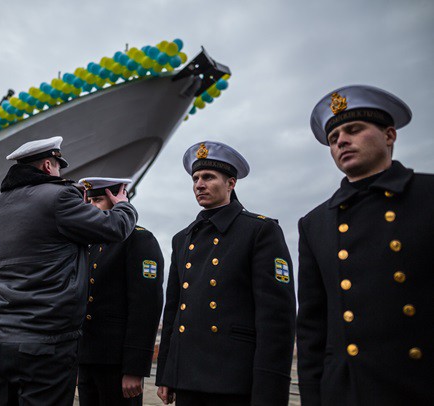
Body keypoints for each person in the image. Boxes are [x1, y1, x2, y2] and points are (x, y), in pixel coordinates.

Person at [297, 85, 434, 405]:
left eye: (354, 130)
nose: (342, 140)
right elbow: (312, 329)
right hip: (349, 392)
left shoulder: (428, 196)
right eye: (333, 138)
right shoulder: (315, 223)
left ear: (390, 136)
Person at [0, 136, 138, 406]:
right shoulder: (59, 196)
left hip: (1, 340)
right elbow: (114, 228)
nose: (60, 173)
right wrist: (124, 205)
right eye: (58, 166)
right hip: (45, 342)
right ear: (48, 165)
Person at [156, 141, 296, 406]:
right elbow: (173, 312)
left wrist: (270, 388)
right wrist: (166, 373)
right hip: (187, 378)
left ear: (231, 183)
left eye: (208, 177)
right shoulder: (182, 239)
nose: (199, 184)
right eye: (195, 178)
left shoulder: (260, 232)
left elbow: (276, 318)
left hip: (235, 380)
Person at [76, 177, 164, 406]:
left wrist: (135, 368)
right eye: (90, 201)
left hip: (118, 363)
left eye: (98, 200)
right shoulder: (90, 243)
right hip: (88, 359)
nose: (92, 207)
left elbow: (146, 307)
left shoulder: (139, 239)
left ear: (116, 201)